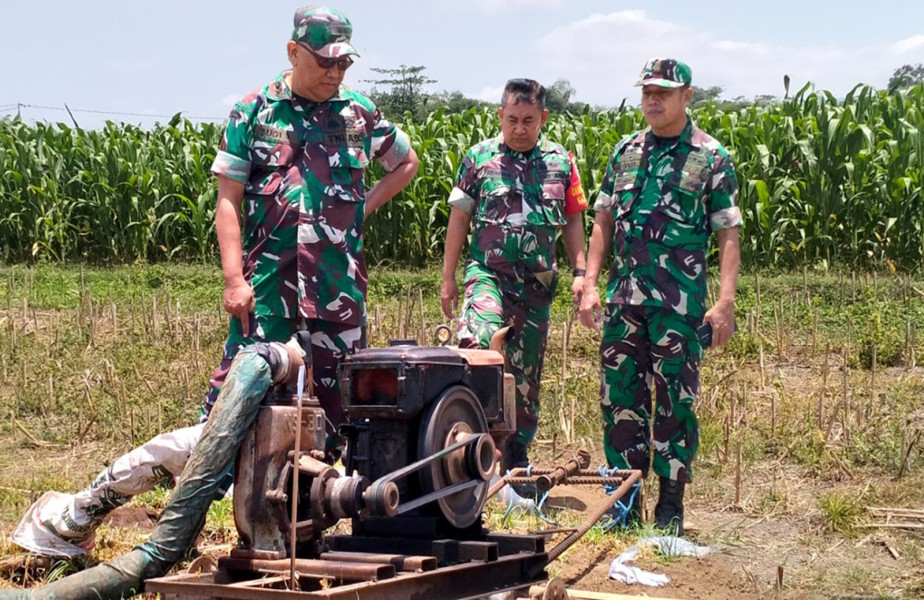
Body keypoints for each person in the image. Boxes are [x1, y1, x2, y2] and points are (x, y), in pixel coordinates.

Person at [11, 5, 418, 558]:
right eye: (324, 61)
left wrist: (357, 214)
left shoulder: (359, 114)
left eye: (343, 62)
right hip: (267, 297)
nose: (335, 72)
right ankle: (74, 515)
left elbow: (406, 163)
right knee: (218, 430)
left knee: (344, 426)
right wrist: (233, 279)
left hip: (338, 302)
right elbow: (228, 201)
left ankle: (305, 534)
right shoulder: (253, 112)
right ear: (294, 52)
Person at [577, 58, 741, 535]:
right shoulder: (626, 152)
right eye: (647, 91)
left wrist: (725, 302)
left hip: (679, 305)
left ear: (687, 96)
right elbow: (603, 222)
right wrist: (589, 283)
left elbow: (728, 234)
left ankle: (670, 504)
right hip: (624, 300)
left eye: (663, 92)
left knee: (675, 402)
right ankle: (623, 501)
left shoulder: (710, 157)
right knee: (619, 398)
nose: (652, 99)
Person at [440, 78, 587, 480]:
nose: (519, 128)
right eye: (511, 120)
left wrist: (580, 271)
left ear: (543, 118)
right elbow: (460, 217)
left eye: (528, 120)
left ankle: (515, 459)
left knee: (525, 378)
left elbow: (574, 218)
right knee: (482, 343)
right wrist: (448, 277)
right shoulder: (479, 158)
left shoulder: (561, 161)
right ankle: (469, 448)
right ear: (500, 117)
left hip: (536, 285)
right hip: (487, 273)